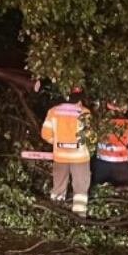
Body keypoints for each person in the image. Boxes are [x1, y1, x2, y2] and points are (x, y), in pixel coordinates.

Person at [41, 87, 94, 217]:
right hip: (80, 158)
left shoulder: (53, 112)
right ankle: (79, 216)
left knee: (58, 187)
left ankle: (55, 215)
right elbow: (91, 137)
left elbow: (45, 134)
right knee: (81, 188)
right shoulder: (85, 112)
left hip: (60, 156)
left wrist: (57, 142)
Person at [92, 101, 128, 186]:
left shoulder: (101, 123)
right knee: (122, 190)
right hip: (121, 164)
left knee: (100, 190)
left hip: (103, 163)